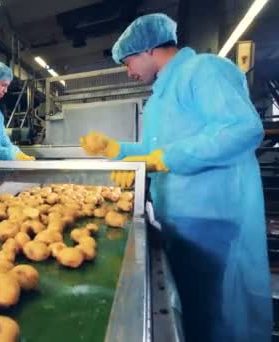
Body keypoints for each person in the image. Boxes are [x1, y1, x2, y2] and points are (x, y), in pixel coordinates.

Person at [80, 13, 272, 342]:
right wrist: (118, 148)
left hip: (214, 217)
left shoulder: (204, 70)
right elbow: (160, 150)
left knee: (217, 315)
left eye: (128, 62)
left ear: (149, 50)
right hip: (180, 218)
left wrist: (162, 159)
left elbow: (242, 129)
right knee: (193, 312)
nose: (128, 72)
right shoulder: (159, 98)